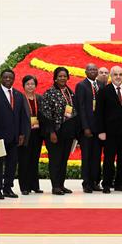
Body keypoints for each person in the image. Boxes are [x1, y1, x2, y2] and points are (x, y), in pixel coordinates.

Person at [95, 66, 122, 193]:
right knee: (109, 159)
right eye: (115, 74)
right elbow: (99, 113)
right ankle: (107, 184)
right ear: (111, 76)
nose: (118, 77)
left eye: (120, 74)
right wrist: (101, 131)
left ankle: (119, 183)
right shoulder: (104, 91)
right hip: (109, 132)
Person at [41, 67, 79, 195]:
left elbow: (73, 111)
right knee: (55, 160)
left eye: (64, 76)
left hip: (68, 132)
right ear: (55, 78)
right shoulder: (50, 93)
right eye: (60, 76)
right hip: (55, 133)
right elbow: (46, 115)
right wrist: (51, 132)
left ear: (68, 77)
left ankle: (61, 185)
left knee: (63, 160)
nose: (62, 78)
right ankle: (55, 186)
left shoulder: (69, 92)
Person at [0, 69, 29, 199]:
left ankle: (8, 188)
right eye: (5, 77)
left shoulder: (18, 95)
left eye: (10, 77)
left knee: (12, 164)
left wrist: (22, 134)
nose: (8, 79)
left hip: (15, 137)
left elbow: (23, 116)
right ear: (1, 78)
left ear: (14, 79)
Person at [75, 63, 104, 193]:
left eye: (94, 69)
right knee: (86, 157)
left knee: (97, 157)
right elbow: (80, 108)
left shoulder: (101, 85)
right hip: (86, 129)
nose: (93, 71)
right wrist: (85, 127)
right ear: (85, 72)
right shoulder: (81, 86)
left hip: (98, 128)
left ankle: (95, 182)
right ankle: (86, 183)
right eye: (90, 69)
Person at [17, 75, 44, 195]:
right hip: (25, 134)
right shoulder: (20, 98)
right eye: (27, 84)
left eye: (32, 84)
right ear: (23, 85)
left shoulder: (39, 98)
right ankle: (24, 187)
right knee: (24, 160)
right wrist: (20, 133)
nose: (30, 86)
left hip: (37, 133)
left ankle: (35, 186)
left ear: (35, 85)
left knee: (34, 160)